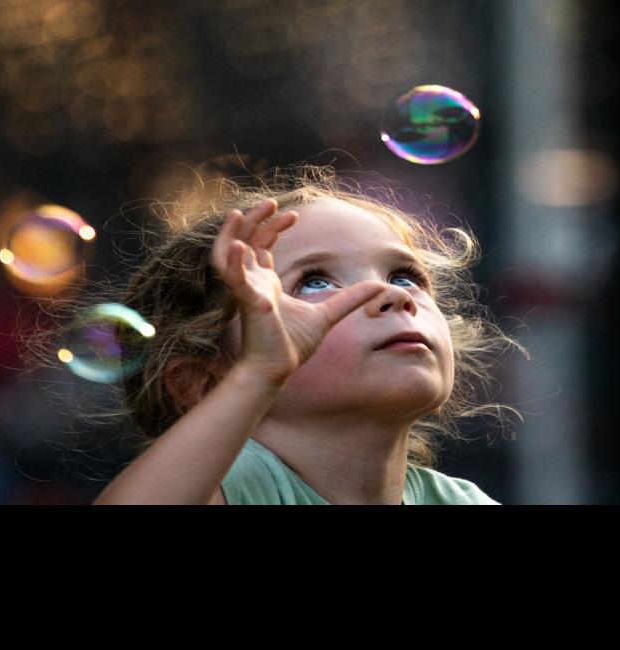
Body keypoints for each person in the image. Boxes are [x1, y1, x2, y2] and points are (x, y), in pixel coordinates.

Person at [86, 167, 522, 504]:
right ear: (206, 383)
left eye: (406, 277)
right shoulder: (240, 488)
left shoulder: (459, 498)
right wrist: (261, 372)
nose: (390, 294)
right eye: (314, 282)